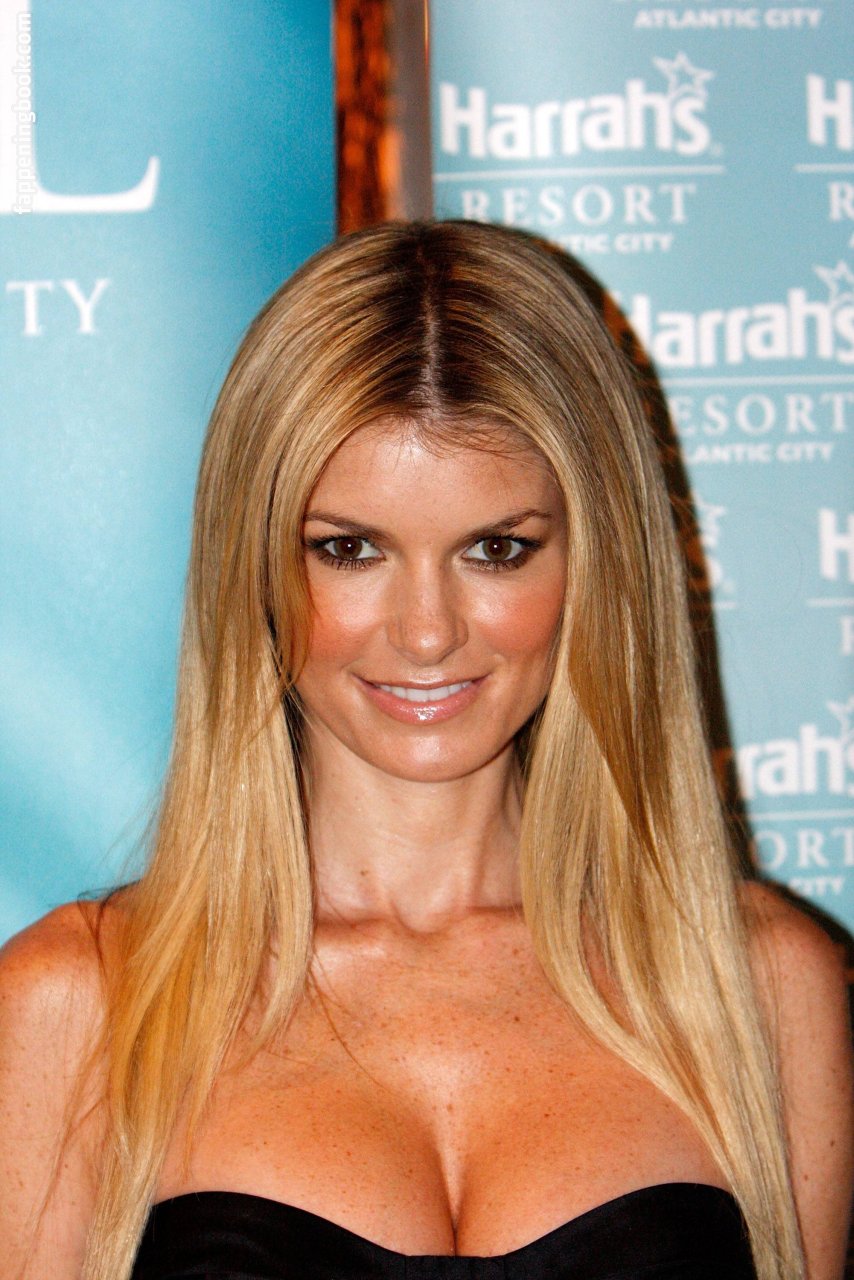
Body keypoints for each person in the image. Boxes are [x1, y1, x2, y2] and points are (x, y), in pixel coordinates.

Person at [1, 220, 851, 1280]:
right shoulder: (76, 1004)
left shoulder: (759, 984)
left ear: (596, 562)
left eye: (496, 549)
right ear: (253, 564)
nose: (426, 631)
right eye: (349, 548)